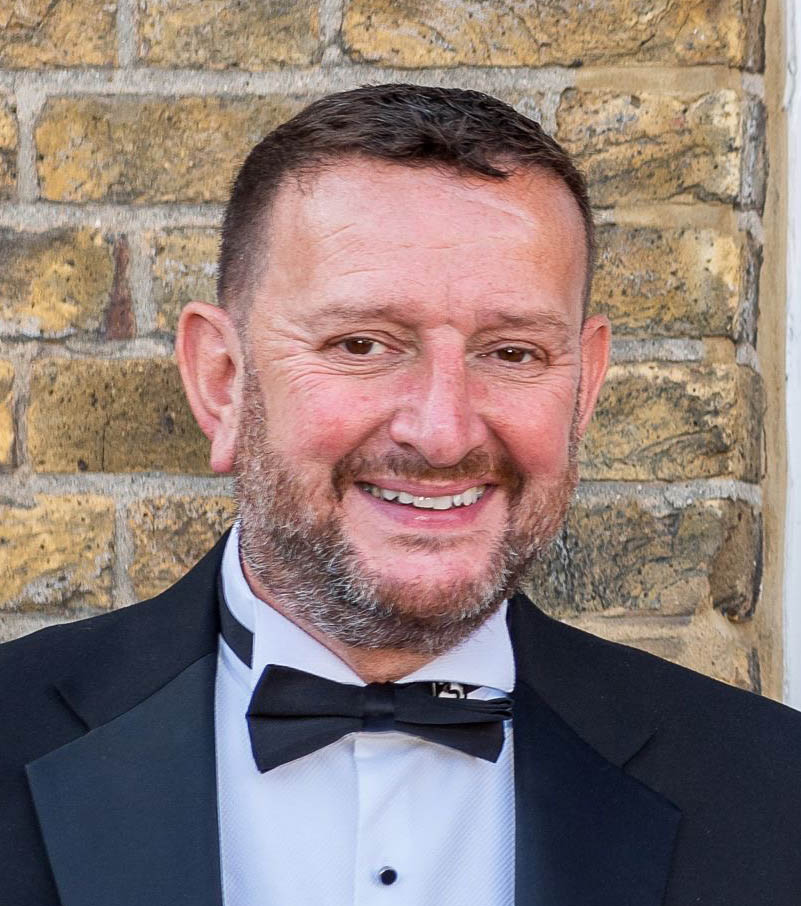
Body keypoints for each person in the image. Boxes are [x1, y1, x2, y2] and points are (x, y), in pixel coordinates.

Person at [1, 84, 799, 906]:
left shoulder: (772, 793)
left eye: (512, 353)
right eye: (362, 344)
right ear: (223, 379)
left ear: (583, 387)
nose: (443, 433)